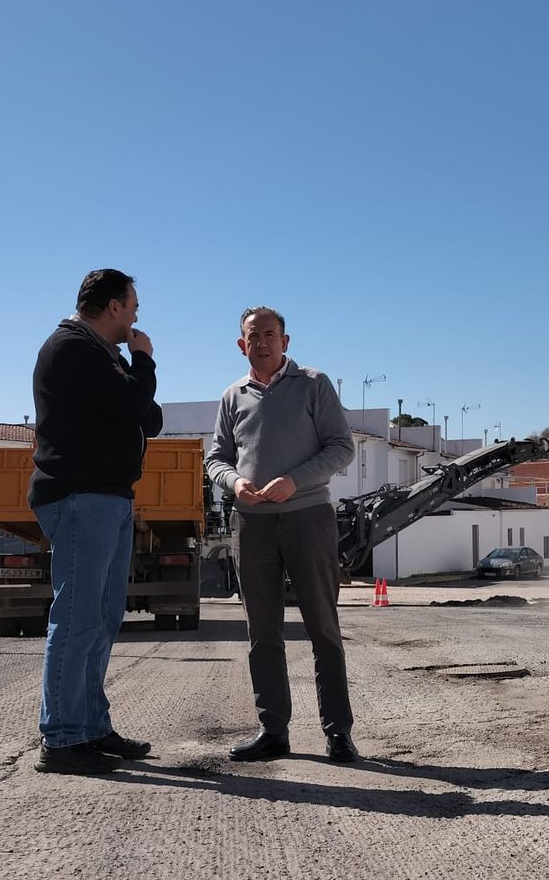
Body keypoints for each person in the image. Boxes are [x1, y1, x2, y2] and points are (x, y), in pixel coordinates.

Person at [206, 306, 358, 763]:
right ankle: (273, 731)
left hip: (308, 518)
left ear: (286, 341)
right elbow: (215, 458)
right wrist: (234, 482)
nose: (263, 343)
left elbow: (342, 447)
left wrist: (294, 480)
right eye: (254, 337)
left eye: (271, 335)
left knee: (322, 628)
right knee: (262, 632)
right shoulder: (233, 396)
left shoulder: (314, 384)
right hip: (251, 525)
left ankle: (338, 734)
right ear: (242, 344)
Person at [28, 268, 164, 775]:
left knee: (103, 619)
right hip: (80, 495)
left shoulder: (98, 354)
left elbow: (146, 415)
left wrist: (135, 392)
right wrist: (143, 358)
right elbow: (136, 403)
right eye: (131, 307)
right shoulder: (72, 348)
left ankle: (88, 726)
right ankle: (62, 738)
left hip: (107, 497)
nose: (134, 318)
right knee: (79, 618)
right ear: (112, 307)